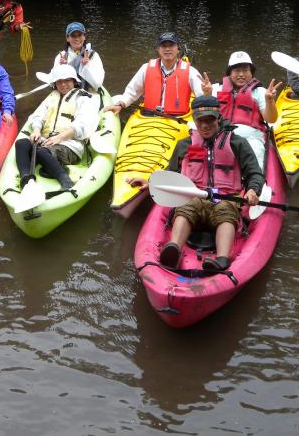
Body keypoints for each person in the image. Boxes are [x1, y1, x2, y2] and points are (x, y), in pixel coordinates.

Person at [128, 96, 264, 271]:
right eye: (200, 121)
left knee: (225, 211)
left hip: (225, 198)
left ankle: (222, 259)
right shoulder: (184, 145)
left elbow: (254, 173)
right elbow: (172, 176)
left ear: (218, 118)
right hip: (193, 196)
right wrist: (152, 183)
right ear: (194, 121)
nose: (205, 126)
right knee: (185, 206)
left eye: (210, 120)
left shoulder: (237, 143)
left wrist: (253, 190)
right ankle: (174, 248)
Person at [15, 64, 99, 191]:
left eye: (67, 80)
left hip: (69, 145)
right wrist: (37, 130)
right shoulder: (52, 97)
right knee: (21, 143)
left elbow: (83, 124)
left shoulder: (83, 98)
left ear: (74, 81)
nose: (63, 84)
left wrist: (59, 137)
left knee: (42, 151)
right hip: (47, 140)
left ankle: (65, 180)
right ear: (55, 83)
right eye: (59, 81)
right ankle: (25, 178)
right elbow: (38, 115)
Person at [202, 51, 282, 170]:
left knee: (253, 167)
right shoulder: (214, 89)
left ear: (251, 72)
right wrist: (207, 95)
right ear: (230, 72)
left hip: (251, 139)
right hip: (220, 135)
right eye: (237, 71)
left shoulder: (260, 92)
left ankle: (254, 184)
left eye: (245, 70)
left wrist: (269, 100)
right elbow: (204, 116)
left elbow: (271, 119)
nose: (241, 74)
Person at [105, 32, 204, 116]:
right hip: (149, 116)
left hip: (178, 118)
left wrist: (207, 93)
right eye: (164, 46)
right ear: (158, 49)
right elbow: (132, 92)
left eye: (171, 45)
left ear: (178, 49)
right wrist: (120, 104)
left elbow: (203, 97)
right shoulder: (146, 68)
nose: (167, 49)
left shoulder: (191, 71)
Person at [53, 22, 105, 93]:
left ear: (84, 37)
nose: (77, 39)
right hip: (67, 93)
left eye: (79, 35)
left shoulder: (93, 55)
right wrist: (62, 68)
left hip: (88, 93)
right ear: (67, 38)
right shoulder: (61, 56)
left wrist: (86, 66)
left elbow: (97, 84)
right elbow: (52, 83)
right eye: (73, 36)